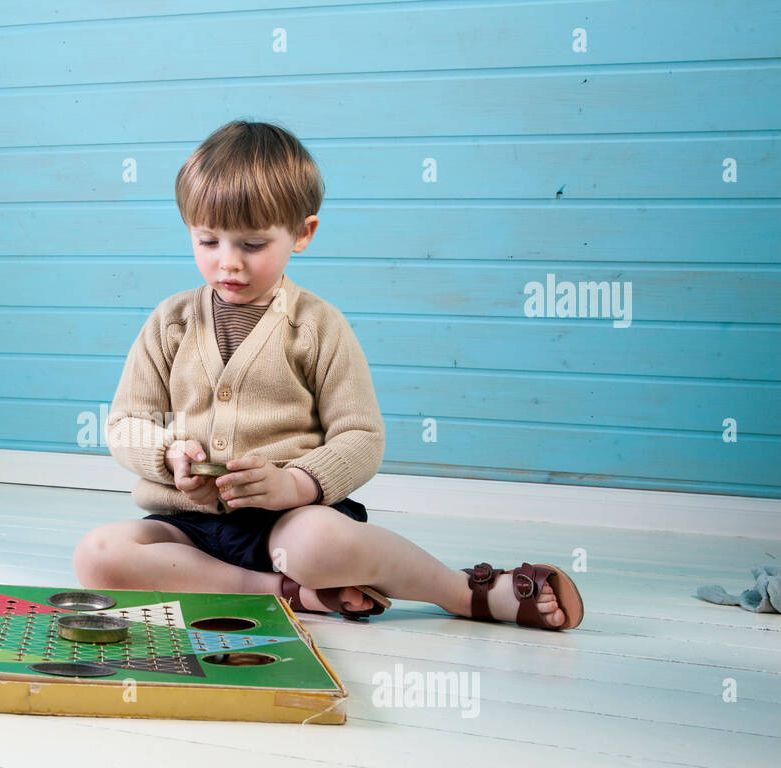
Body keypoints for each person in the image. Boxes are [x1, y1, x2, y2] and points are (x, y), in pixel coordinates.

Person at [72, 120, 583, 631]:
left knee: (318, 546)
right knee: (98, 557)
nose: (227, 263)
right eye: (208, 240)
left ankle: (465, 590)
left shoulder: (316, 327)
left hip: (290, 523)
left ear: (302, 233)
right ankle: (287, 594)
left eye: (251, 245)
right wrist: (168, 455)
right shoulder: (170, 322)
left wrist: (296, 484)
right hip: (188, 526)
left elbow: (360, 436)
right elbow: (126, 423)